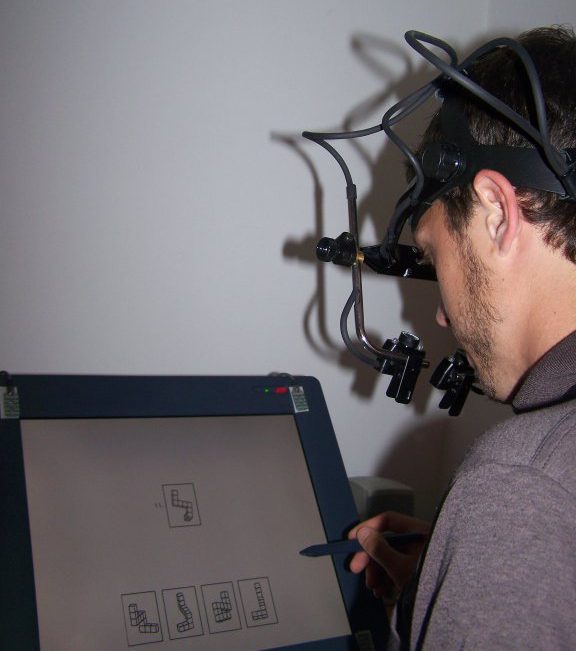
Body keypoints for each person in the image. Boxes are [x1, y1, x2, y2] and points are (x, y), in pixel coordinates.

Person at [348, 25, 576, 649]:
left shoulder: (521, 484)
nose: (443, 317)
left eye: (434, 255)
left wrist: (501, 535)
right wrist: (452, 588)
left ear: (497, 214)